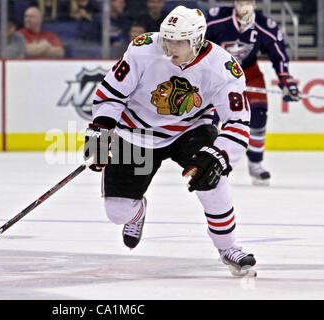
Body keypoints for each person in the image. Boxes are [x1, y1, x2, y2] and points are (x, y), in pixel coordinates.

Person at [83, 5, 257, 277]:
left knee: (212, 178)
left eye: (179, 42)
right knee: (117, 212)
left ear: (197, 40)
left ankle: (228, 247)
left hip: (189, 131)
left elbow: (237, 122)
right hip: (136, 134)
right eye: (167, 39)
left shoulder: (224, 68)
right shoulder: (143, 49)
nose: (169, 47)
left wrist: (217, 156)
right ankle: (137, 213)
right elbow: (111, 95)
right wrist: (102, 129)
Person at [205, 0, 301, 185]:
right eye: (241, 1)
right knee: (211, 118)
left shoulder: (265, 25)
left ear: (255, 3)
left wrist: (286, 80)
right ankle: (209, 161)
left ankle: (256, 164)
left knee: (258, 112)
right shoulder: (217, 18)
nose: (244, 5)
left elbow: (279, 55)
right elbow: (199, 43)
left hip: (249, 73)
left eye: (248, 1)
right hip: (218, 72)